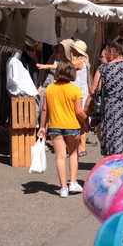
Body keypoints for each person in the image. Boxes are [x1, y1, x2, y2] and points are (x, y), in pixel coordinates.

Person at [38, 60, 88, 197]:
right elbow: (79, 112)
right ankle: (72, 182)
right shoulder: (75, 90)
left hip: (54, 125)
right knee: (73, 153)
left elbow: (44, 109)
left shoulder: (49, 89)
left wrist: (42, 126)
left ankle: (63, 188)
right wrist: (86, 122)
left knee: (60, 157)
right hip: (72, 126)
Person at [94, 40, 123, 157]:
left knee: (114, 145)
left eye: (105, 52)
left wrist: (86, 109)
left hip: (113, 110)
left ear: (111, 51)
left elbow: (93, 91)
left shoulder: (104, 69)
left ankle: (116, 172)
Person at [70, 40, 91, 157]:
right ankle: (81, 147)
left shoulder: (78, 61)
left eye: (73, 48)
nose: (71, 50)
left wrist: (47, 65)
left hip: (78, 93)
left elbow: (64, 67)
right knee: (81, 119)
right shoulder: (84, 61)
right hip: (82, 92)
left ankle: (80, 146)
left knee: (79, 120)